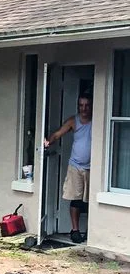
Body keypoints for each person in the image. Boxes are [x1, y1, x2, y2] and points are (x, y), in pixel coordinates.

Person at [45, 94, 92, 243]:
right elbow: (58, 134)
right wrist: (48, 142)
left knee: (91, 201)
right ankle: (75, 230)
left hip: (94, 167)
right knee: (76, 200)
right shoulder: (74, 121)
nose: (84, 108)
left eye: (87, 105)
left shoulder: (98, 120)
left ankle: (92, 231)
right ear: (78, 106)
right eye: (81, 105)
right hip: (76, 166)